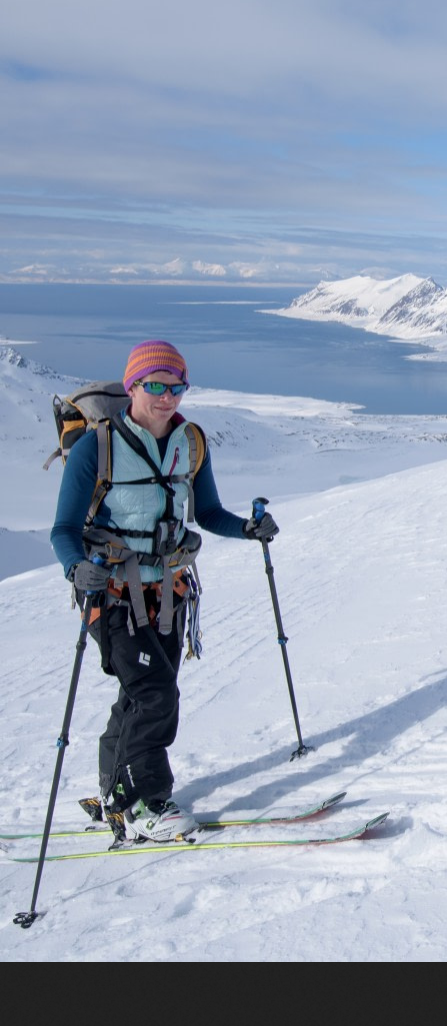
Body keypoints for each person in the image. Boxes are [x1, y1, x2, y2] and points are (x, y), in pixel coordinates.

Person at [49, 340, 280, 843]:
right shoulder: (97, 446)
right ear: (132, 385)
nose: (167, 396)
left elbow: (208, 513)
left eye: (177, 386)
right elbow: (63, 528)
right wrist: (75, 569)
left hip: (170, 593)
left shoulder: (191, 442)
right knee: (155, 696)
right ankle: (148, 803)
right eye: (155, 385)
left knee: (140, 696)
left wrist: (247, 529)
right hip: (109, 593)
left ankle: (114, 790)